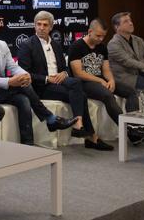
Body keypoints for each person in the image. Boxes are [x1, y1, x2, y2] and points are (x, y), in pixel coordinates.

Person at [0, 11, 76, 146]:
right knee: (21, 85)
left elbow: (13, 66)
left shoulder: (2, 45)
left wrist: (25, 74)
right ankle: (50, 118)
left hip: (2, 90)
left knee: (24, 100)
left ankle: (28, 143)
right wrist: (9, 81)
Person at [17, 11, 110, 150]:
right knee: (79, 89)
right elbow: (25, 73)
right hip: (42, 86)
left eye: (45, 25)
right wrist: (48, 78)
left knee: (79, 91)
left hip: (60, 81)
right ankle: (89, 134)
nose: (41, 27)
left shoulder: (56, 44)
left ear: (51, 27)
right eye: (38, 24)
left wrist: (65, 72)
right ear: (34, 26)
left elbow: (65, 66)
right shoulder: (27, 45)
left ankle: (83, 128)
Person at [68, 18, 144, 146]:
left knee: (130, 91)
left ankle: (134, 125)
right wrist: (100, 80)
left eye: (103, 36)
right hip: (84, 83)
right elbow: (78, 73)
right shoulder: (76, 47)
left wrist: (111, 79)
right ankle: (128, 130)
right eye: (98, 36)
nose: (101, 39)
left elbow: (106, 69)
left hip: (101, 80)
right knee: (107, 95)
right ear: (90, 31)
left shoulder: (102, 47)